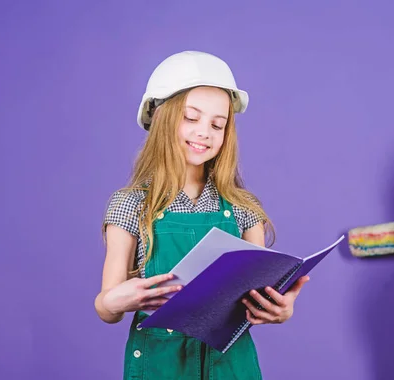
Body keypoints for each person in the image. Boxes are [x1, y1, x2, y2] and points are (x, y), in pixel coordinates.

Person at [93, 51, 310, 380]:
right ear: (163, 118)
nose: (204, 132)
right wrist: (116, 301)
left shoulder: (243, 207)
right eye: (191, 118)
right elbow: (105, 307)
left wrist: (281, 309)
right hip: (160, 366)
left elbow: (262, 290)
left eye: (217, 124)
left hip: (230, 367)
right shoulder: (131, 204)